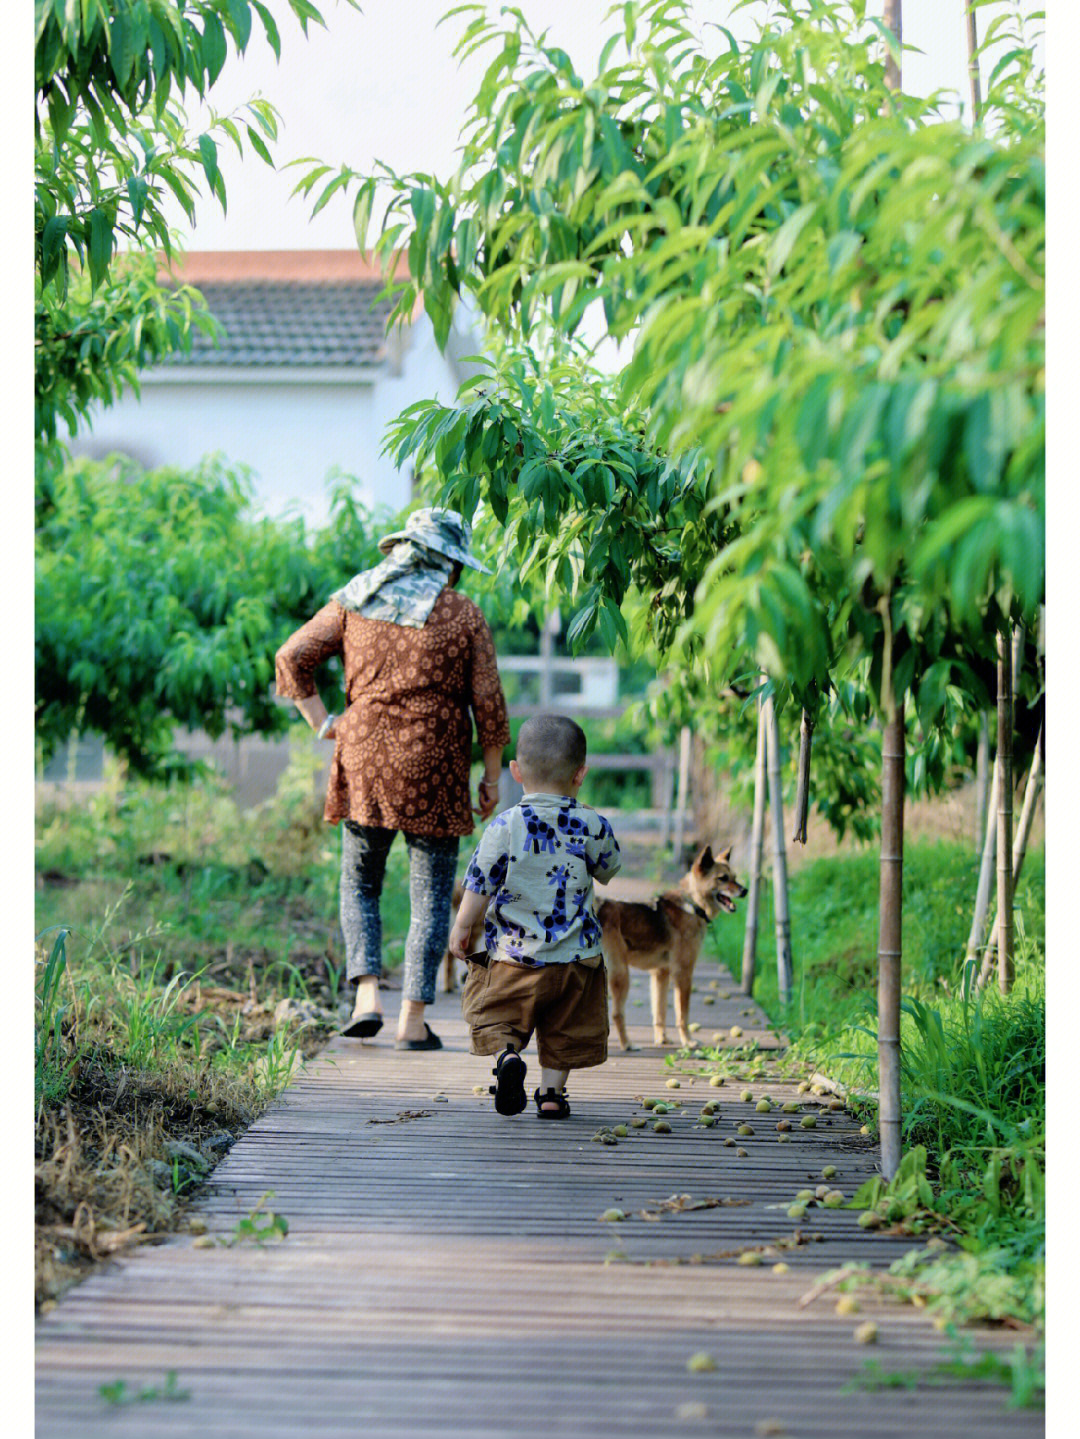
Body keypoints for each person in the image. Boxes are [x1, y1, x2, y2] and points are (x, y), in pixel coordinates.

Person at [275, 506, 510, 1050]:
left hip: (365, 763)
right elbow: (489, 704)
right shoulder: (463, 614)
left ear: (403, 550)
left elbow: (292, 656)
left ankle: (366, 998)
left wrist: (323, 723)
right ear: (449, 563)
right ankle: (412, 1019)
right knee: (429, 897)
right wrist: (492, 779)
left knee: (360, 881)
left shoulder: (353, 601)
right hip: (438, 761)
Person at [449, 714, 621, 1117]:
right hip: (576, 960)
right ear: (580, 774)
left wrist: (463, 925)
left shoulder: (504, 826)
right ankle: (550, 1095)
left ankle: (508, 1059)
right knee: (567, 1028)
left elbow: (479, 881)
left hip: (513, 957)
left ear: (515, 770)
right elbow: (610, 868)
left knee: (500, 1016)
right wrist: (592, 829)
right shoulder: (591, 824)